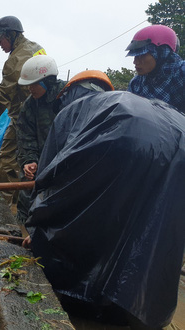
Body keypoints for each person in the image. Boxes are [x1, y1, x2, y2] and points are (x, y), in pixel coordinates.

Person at [23, 70, 185, 329]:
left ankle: (88, 303)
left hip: (130, 137)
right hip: (180, 139)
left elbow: (52, 179)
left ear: (69, 93)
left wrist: (38, 229)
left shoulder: (77, 109)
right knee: (153, 229)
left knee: (95, 215)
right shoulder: (124, 101)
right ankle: (139, 311)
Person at [0, 16, 46, 212]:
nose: (0, 44)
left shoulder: (15, 61)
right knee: (29, 163)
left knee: (6, 162)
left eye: (1, 40)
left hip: (24, 117)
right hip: (43, 117)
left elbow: (4, 94)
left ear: (11, 35)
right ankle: (17, 206)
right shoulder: (35, 47)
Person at [14, 55, 68, 224]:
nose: (30, 89)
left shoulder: (69, 98)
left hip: (65, 165)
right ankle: (21, 230)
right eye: (28, 84)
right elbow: (25, 136)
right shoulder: (30, 105)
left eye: (34, 84)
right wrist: (29, 160)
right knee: (26, 195)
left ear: (47, 81)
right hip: (39, 163)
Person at [125, 24, 185, 113]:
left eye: (142, 55)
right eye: (135, 56)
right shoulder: (136, 83)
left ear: (161, 52)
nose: (135, 62)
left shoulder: (181, 72)